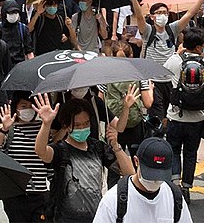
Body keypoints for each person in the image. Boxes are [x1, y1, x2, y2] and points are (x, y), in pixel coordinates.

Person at [33, 94, 134, 223]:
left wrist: (116, 146)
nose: (82, 128)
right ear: (67, 125)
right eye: (77, 125)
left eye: (86, 123)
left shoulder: (98, 147)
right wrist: (46, 124)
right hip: (64, 219)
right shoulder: (61, 150)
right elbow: (41, 151)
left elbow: (129, 173)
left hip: (96, 217)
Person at [131, 0, 204, 122]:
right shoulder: (148, 31)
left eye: (165, 13)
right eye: (159, 12)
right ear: (152, 17)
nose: (163, 15)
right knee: (156, 115)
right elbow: (139, 17)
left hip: (170, 80)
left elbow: (189, 14)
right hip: (152, 80)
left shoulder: (172, 29)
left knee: (169, 114)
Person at [164, 27, 204, 204]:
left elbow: (165, 77)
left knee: (175, 151)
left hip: (176, 116)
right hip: (198, 119)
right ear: (200, 47)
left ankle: (175, 184)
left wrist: (177, 54)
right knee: (191, 153)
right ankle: (187, 187)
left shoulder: (175, 61)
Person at [93, 137, 192, 223]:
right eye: (150, 174)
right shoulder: (113, 200)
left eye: (161, 175)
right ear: (136, 161)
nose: (155, 181)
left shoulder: (174, 198)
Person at [0, 92, 50, 222]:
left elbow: (49, 159)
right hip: (15, 195)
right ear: (15, 108)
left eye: (30, 106)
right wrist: (4, 129)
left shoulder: (42, 128)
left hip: (39, 194)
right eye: (23, 106)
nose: (27, 110)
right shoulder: (8, 128)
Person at [0, 0, 34, 65]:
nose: (14, 15)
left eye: (16, 12)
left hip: (20, 65)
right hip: (3, 66)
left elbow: (29, 51)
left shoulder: (23, 28)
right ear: (4, 13)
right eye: (11, 13)